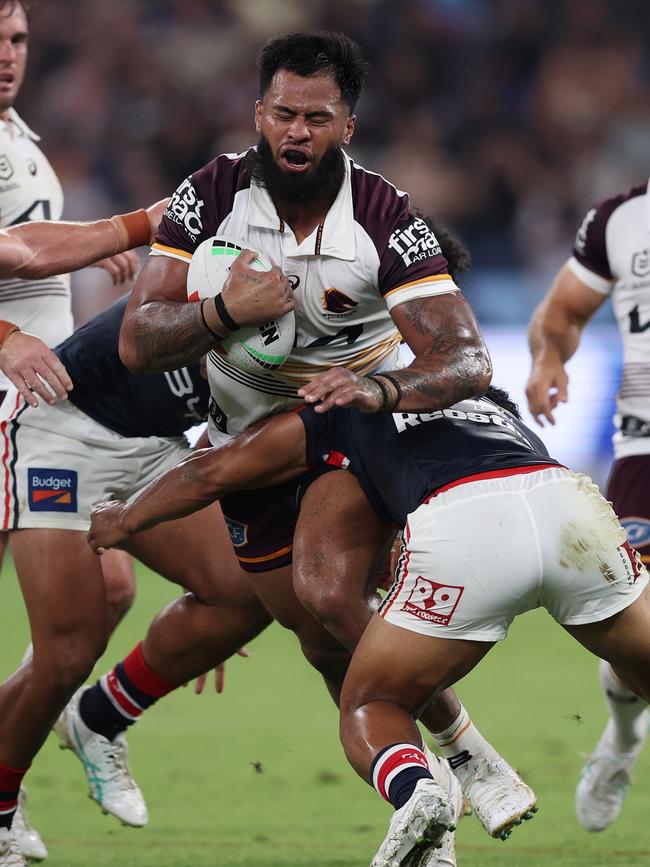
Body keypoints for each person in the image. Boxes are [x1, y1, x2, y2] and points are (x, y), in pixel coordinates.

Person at [98, 29, 535, 838]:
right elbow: (137, 340)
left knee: (331, 591)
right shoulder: (211, 195)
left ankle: (460, 767)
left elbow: (464, 353)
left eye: (318, 117)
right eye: (285, 114)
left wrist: (380, 386)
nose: (298, 132)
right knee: (323, 637)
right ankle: (437, 780)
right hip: (247, 442)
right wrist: (225, 312)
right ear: (259, 113)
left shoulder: (381, 214)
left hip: (347, 430)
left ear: (348, 127)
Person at [87, 381, 650, 867]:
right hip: (568, 506)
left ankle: (419, 789)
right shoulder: (487, 403)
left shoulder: (341, 407)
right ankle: (483, 766)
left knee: (372, 702)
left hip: (469, 530)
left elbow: (214, 471)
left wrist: (126, 518)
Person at [526, 179, 650, 833]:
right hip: (643, 455)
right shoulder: (621, 218)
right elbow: (562, 312)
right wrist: (548, 357)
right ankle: (625, 739)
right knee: (635, 639)